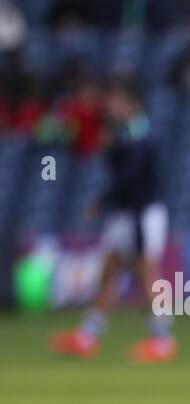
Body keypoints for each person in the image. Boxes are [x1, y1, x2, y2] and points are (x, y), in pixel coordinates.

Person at [51, 78, 174, 362]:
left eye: (117, 101)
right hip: (124, 214)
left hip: (142, 214)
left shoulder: (142, 135)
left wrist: (101, 201)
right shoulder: (123, 133)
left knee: (146, 274)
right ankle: (87, 335)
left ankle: (162, 338)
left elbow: (129, 176)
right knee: (109, 272)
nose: (111, 105)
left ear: (132, 105)